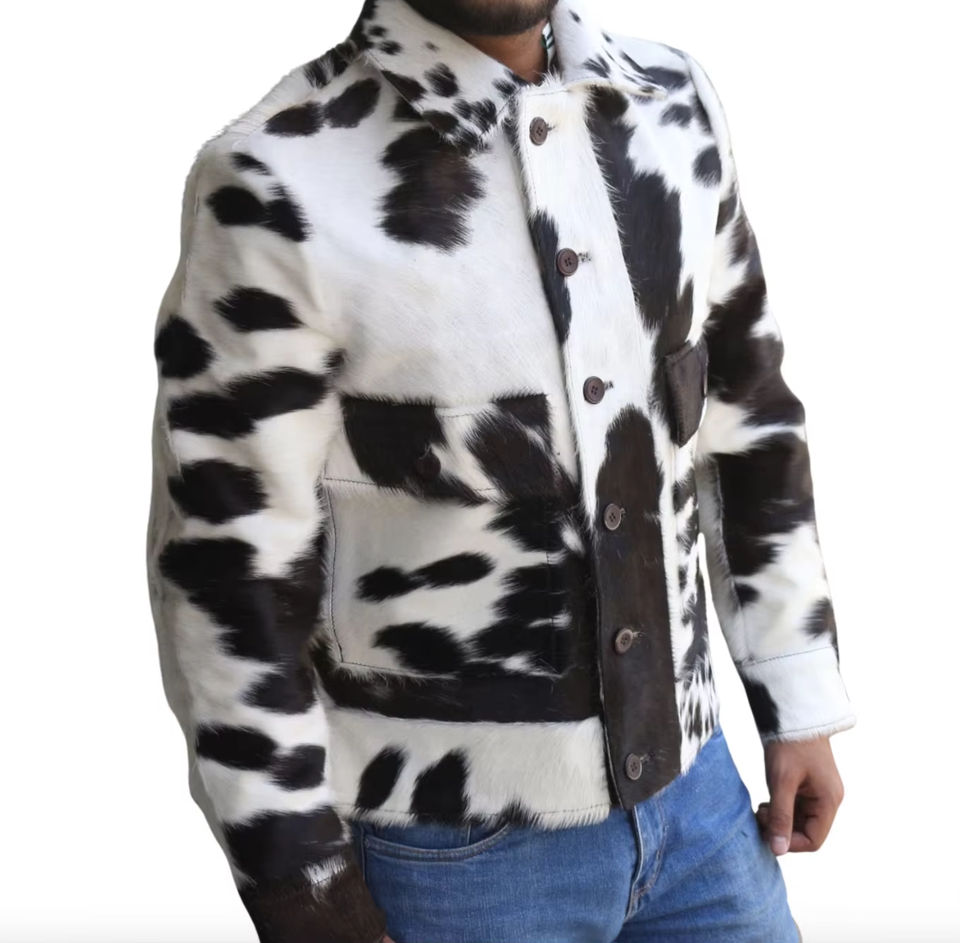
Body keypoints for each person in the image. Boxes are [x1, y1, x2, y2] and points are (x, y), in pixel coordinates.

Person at [145, 1, 856, 940]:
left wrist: (794, 696)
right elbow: (225, 571)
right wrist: (303, 893)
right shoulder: (277, 176)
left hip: (701, 800)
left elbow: (747, 417)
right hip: (448, 853)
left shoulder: (671, 103)